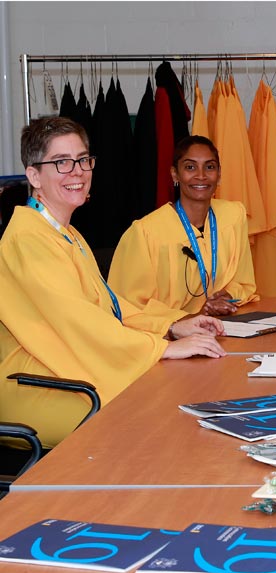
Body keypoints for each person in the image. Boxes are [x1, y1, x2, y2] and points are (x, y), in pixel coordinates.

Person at [0, 117, 226, 451]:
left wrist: (172, 326)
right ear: (34, 175)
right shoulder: (28, 239)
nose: (77, 171)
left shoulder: (64, 233)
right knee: (159, 408)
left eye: (83, 159)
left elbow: (109, 306)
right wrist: (160, 348)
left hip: (66, 369)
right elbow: (80, 321)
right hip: (39, 385)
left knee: (177, 391)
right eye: (61, 162)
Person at [108, 135, 258, 318]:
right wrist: (189, 319)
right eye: (190, 167)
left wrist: (226, 296)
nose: (201, 175)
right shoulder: (145, 233)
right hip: (166, 337)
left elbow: (244, 283)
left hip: (223, 326)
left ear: (219, 174)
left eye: (209, 167)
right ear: (175, 174)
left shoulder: (233, 216)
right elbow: (128, 307)